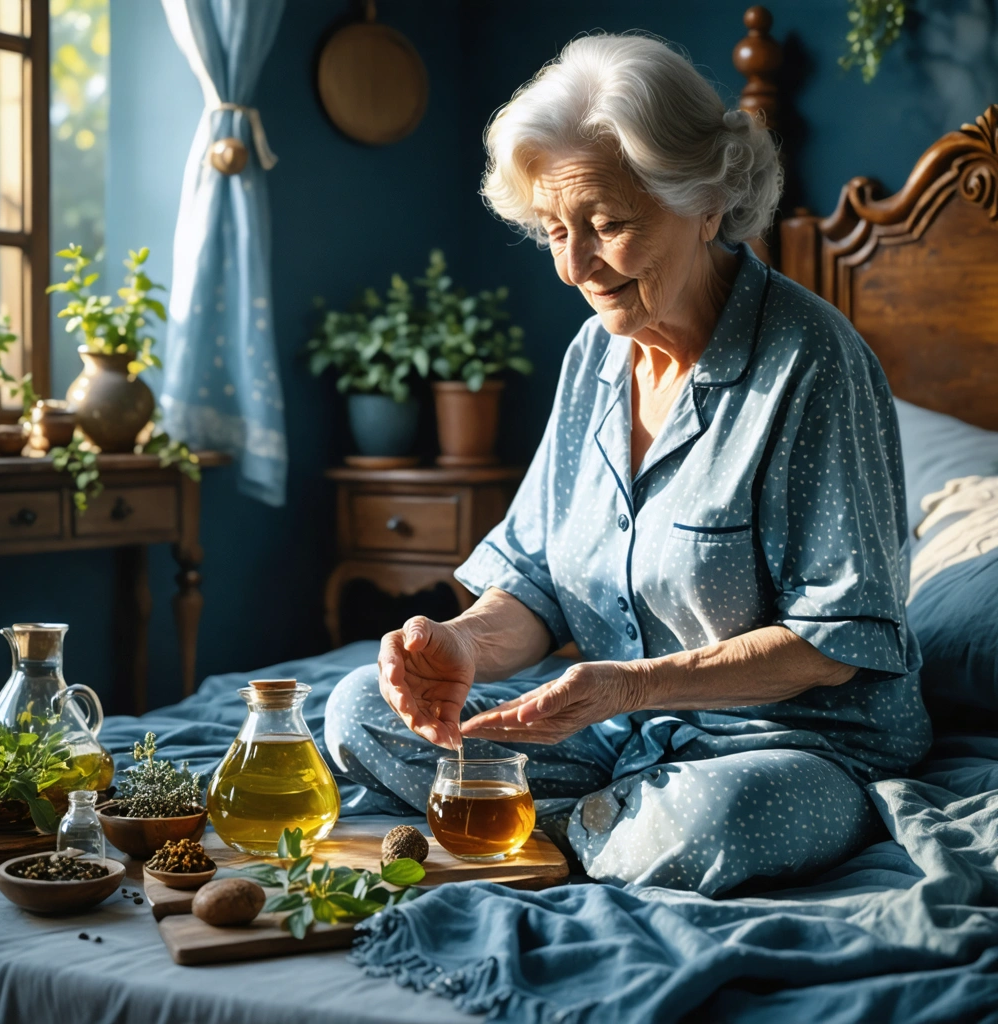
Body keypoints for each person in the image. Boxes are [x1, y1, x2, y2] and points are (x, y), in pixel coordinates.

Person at [324, 33, 932, 895]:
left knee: (716, 821)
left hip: (793, 743)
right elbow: (533, 584)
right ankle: (591, 830)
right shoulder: (593, 357)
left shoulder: (814, 363)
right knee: (355, 709)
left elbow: (834, 642)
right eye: (553, 231)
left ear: (708, 202)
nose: (575, 266)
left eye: (607, 225)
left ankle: (552, 829)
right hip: (624, 737)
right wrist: (458, 646)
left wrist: (627, 688)